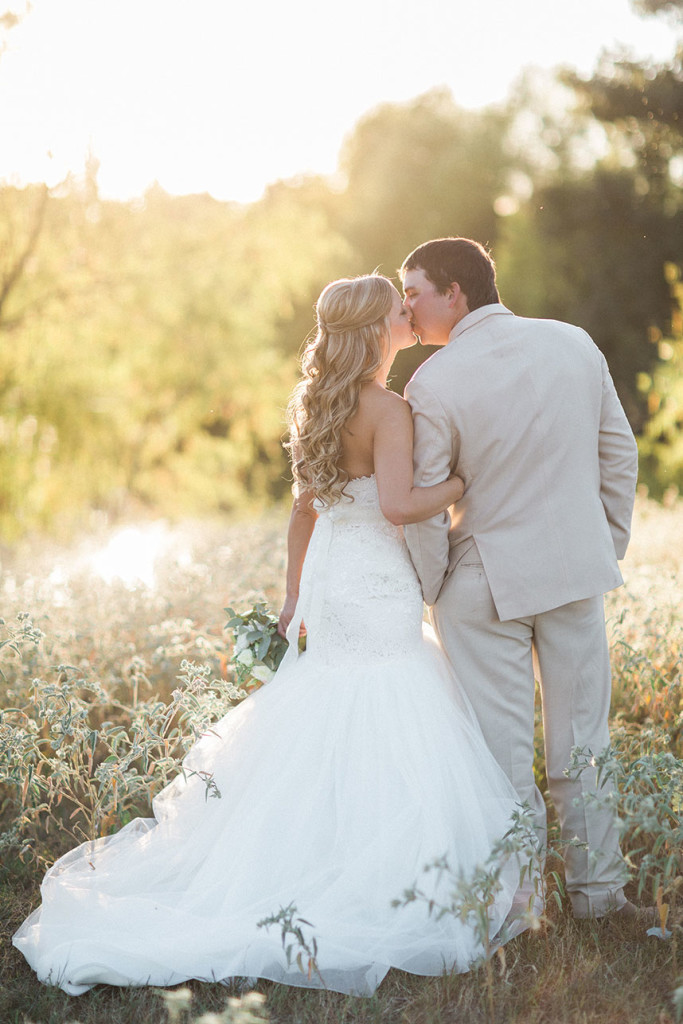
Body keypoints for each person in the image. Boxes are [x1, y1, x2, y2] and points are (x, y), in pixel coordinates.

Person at [14, 274, 528, 999]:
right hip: (377, 582)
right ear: (377, 330)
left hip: (333, 580)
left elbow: (303, 512)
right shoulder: (387, 408)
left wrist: (293, 594)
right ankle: (382, 871)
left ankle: (319, 853)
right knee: (395, 697)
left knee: (331, 701)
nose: (406, 318)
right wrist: (463, 485)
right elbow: (398, 505)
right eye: (396, 313)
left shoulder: (317, 402)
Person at [400, 237, 639, 920]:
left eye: (414, 291)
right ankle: (600, 900)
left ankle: (518, 909)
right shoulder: (573, 344)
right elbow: (616, 456)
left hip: (480, 584)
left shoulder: (433, 381)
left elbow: (423, 502)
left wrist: (433, 583)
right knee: (582, 743)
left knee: (500, 755)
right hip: (573, 571)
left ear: (455, 291)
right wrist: (602, 544)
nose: (407, 307)